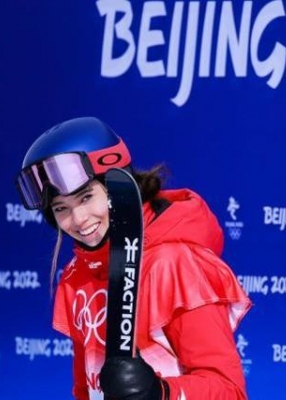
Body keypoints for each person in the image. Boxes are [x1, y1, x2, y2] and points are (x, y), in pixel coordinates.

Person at [15, 116, 252, 400]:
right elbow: (85, 390)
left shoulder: (174, 265)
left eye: (86, 197)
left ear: (118, 188)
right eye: (60, 208)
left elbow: (230, 391)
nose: (78, 219)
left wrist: (161, 393)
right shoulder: (77, 275)